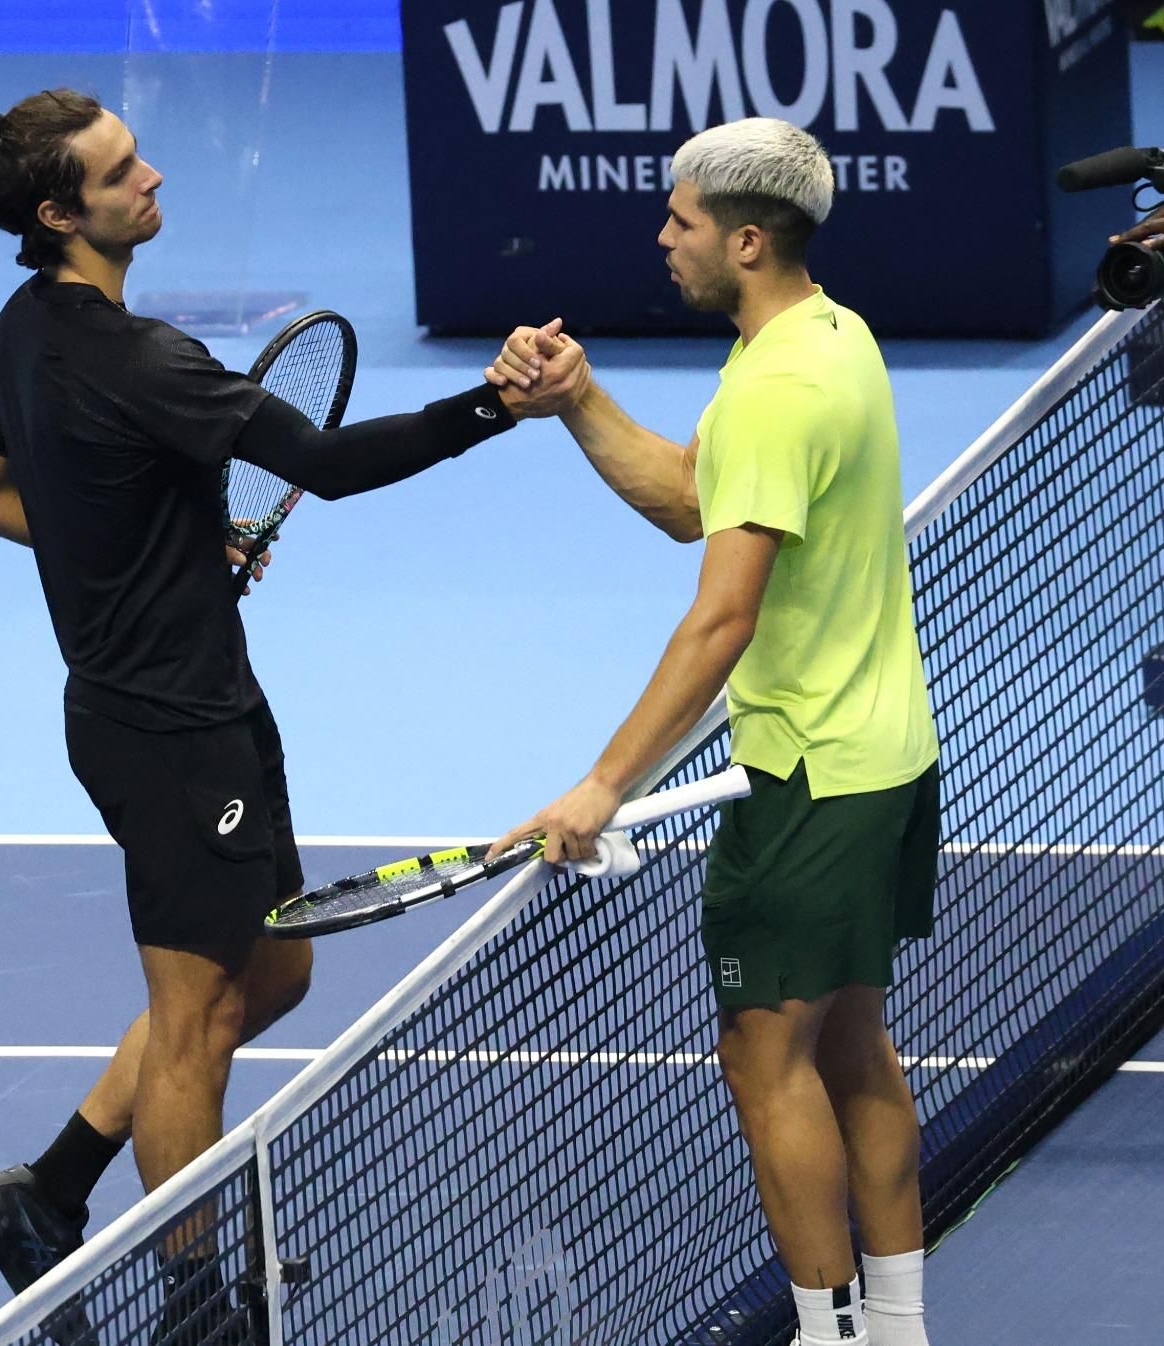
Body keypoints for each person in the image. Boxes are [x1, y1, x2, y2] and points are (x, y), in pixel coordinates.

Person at [0, 87, 539, 1341]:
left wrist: (159, 544)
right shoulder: (145, 359)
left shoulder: (19, 330)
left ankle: (46, 1190)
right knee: (192, 1024)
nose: (152, 175)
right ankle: (191, 1309)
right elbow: (325, 467)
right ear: (63, 212)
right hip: (167, 731)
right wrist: (492, 406)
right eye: (121, 174)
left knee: (274, 968)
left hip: (185, 704)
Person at [486, 118, 938, 1346]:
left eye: (679, 220)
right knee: (850, 1039)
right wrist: (579, 402)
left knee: (760, 1056)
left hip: (801, 774)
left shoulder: (779, 385)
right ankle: (893, 1327)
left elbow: (720, 614)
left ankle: (830, 1331)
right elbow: (697, 499)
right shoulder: (822, 338)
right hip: (883, 751)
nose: (661, 236)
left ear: (744, 240)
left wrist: (600, 783)